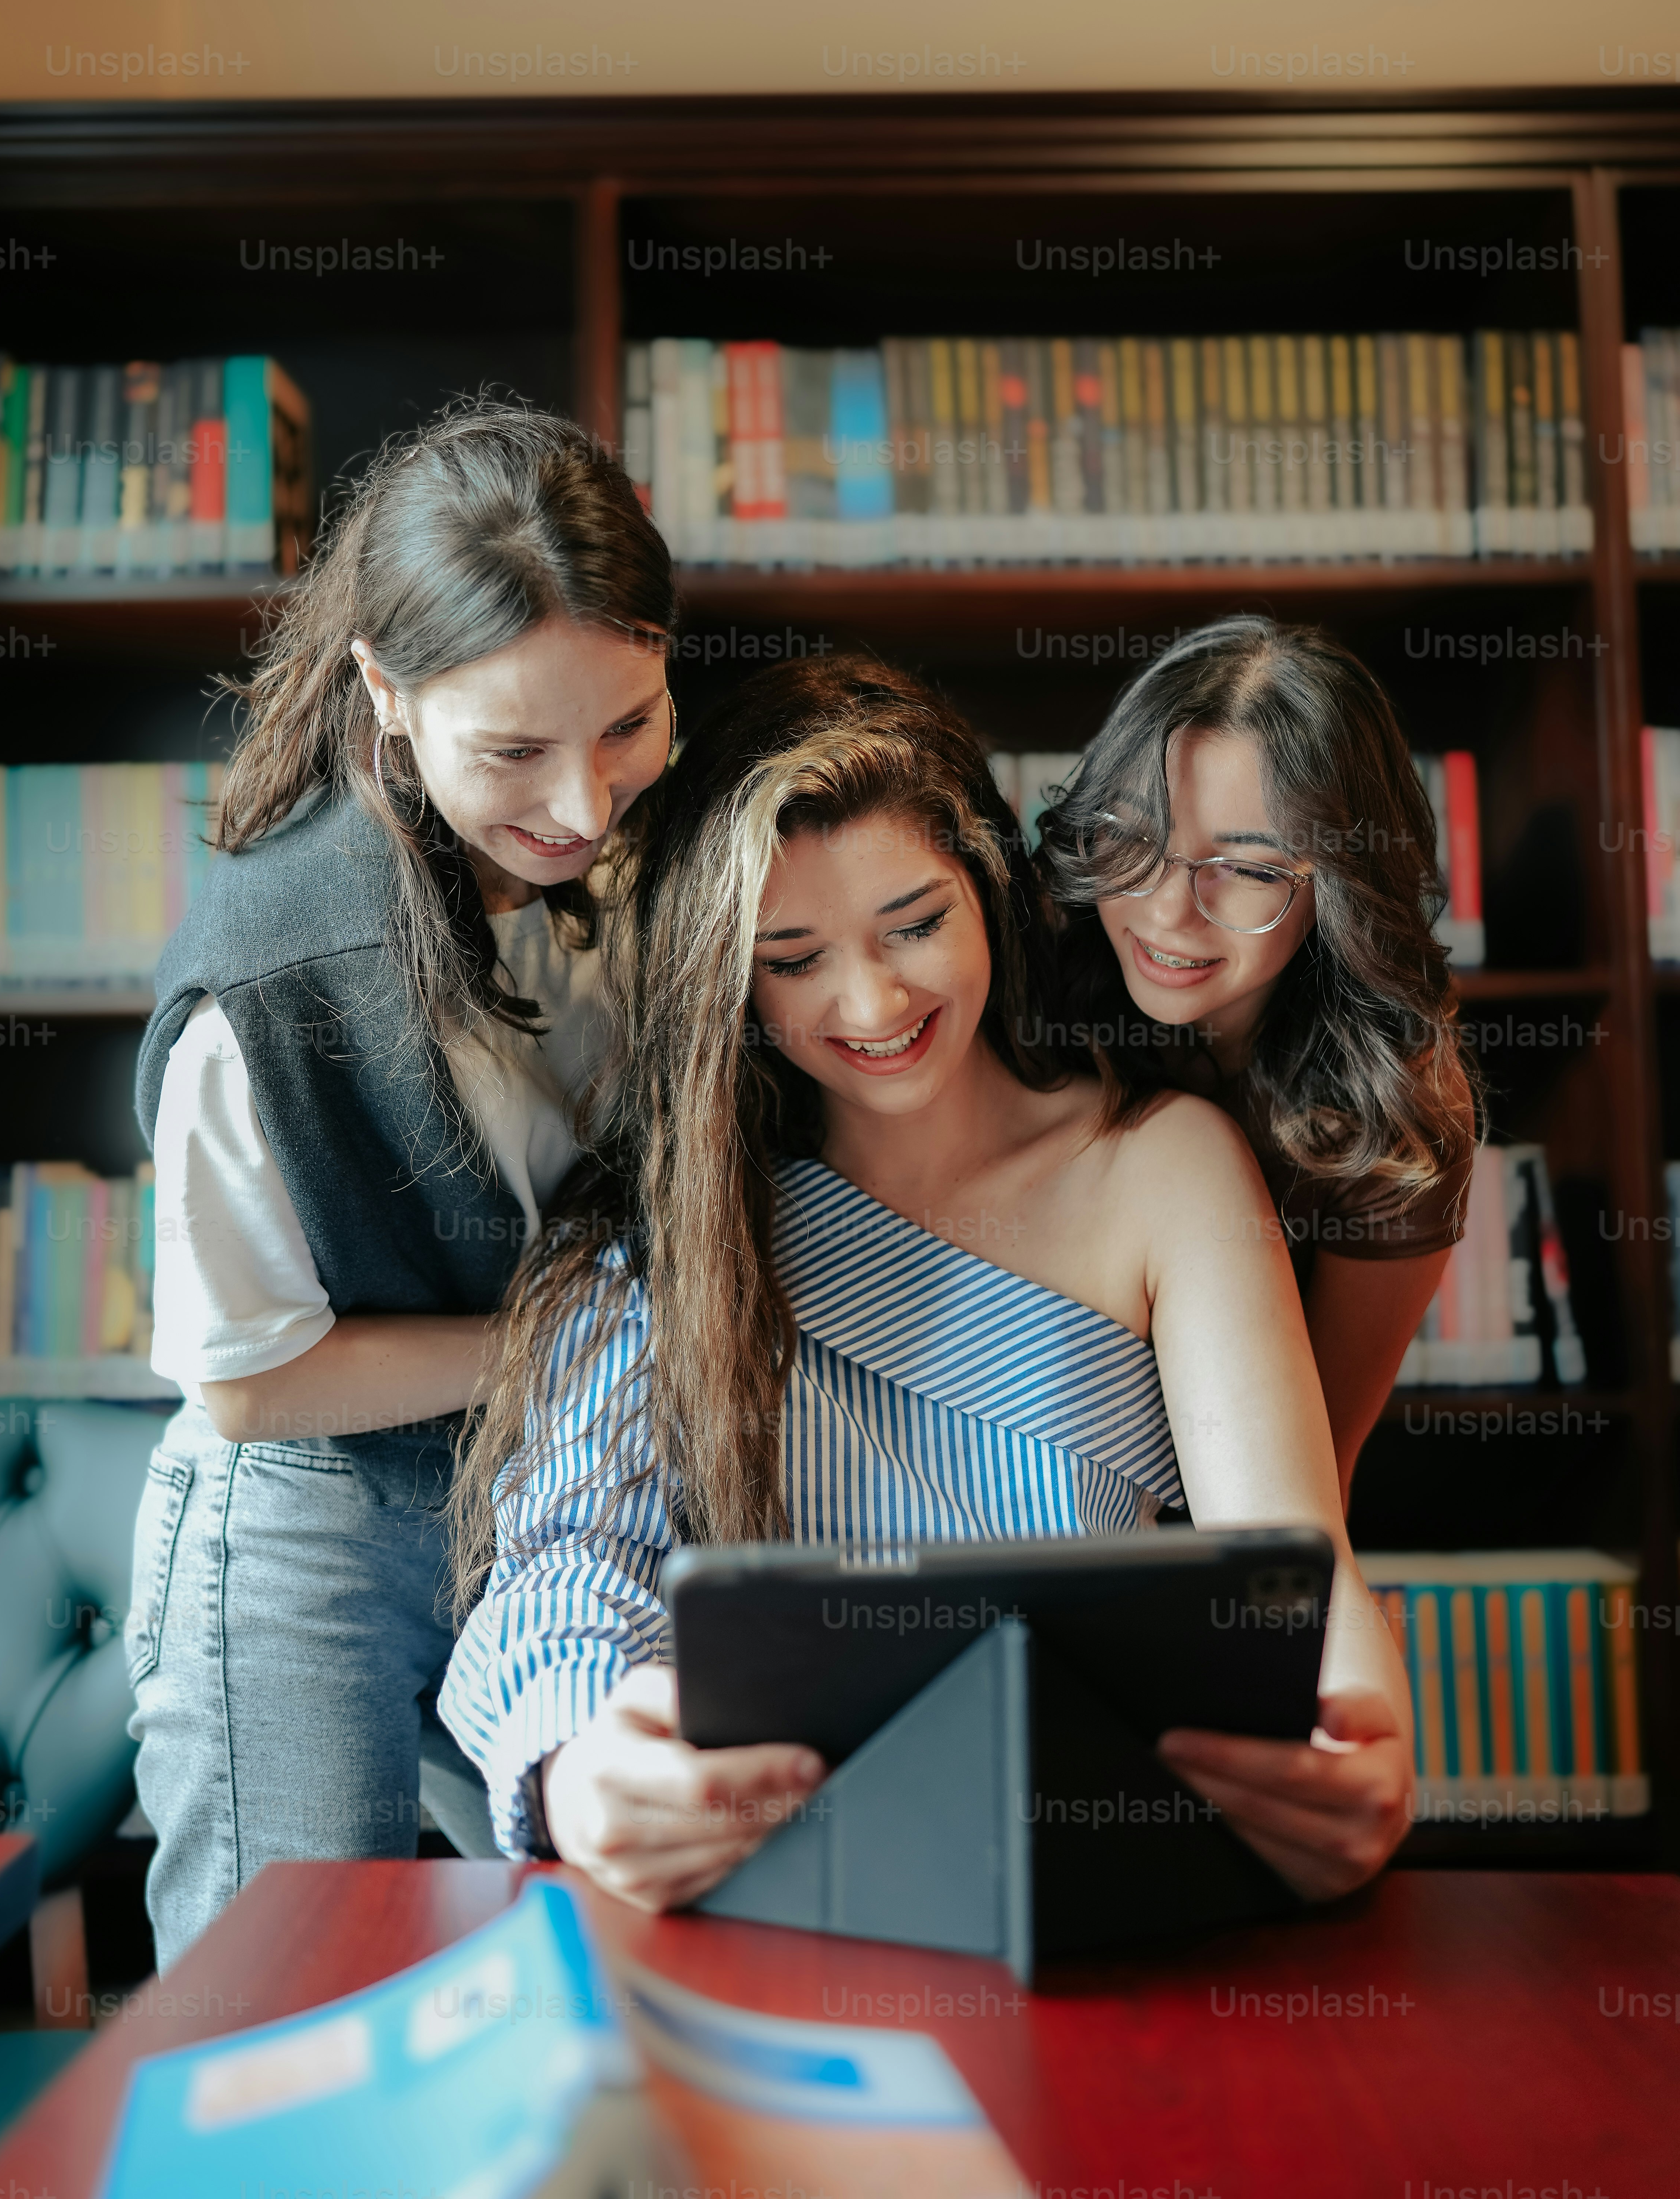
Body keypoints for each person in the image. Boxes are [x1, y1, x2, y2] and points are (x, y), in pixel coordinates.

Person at [441, 654, 1414, 1912]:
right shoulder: (681, 1222)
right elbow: (563, 1564)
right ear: (724, 981)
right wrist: (579, 1767)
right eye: (793, 958)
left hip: (1096, 1877)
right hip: (780, 1884)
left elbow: (1291, 1559)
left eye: (915, 922)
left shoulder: (1160, 1166)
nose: (875, 998)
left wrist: (1365, 1746)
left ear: (990, 892)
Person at [126, 397, 675, 1968]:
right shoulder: (279, 976)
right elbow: (248, 1389)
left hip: (540, 1509)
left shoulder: (642, 861)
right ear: (385, 689)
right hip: (303, 1523)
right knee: (282, 2008)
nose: (584, 808)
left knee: (575, 1968)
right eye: (513, 751)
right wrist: (589, 1328)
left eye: (628, 724)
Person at [1038, 615, 1479, 1499]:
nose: (1167, 914)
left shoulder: (1391, 1108)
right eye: (1129, 837)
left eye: (1244, 870)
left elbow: (1315, 1471)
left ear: (1341, 888)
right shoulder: (1026, 988)